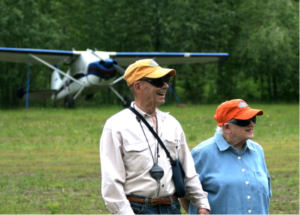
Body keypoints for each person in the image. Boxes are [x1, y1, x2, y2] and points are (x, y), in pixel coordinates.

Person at [100, 59, 210, 215]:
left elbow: (188, 171)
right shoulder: (116, 126)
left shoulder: (173, 124)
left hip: (172, 207)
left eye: (166, 80)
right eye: (158, 81)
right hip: (137, 209)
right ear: (138, 87)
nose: (165, 85)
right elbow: (112, 182)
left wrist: (202, 204)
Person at [180, 99, 272, 215]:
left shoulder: (258, 151)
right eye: (244, 121)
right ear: (227, 127)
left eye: (253, 119)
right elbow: (185, 194)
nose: (251, 124)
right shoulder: (201, 153)